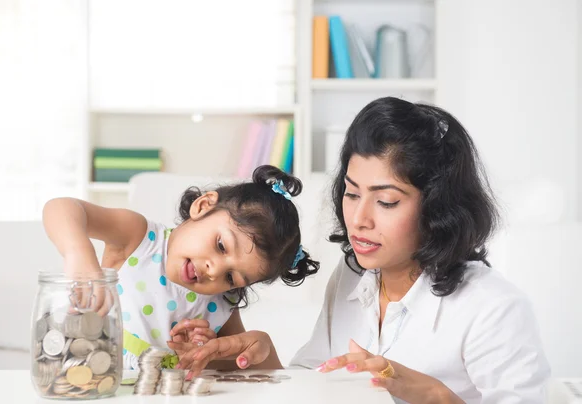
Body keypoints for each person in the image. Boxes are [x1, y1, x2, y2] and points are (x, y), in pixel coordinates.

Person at [182, 97, 550, 403]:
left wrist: (437, 396)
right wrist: (265, 357)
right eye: (352, 193)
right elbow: (316, 385)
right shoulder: (353, 276)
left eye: (386, 201)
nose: (358, 219)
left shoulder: (494, 308)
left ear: (438, 209)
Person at [43, 165, 319, 371]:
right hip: (93, 381)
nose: (213, 270)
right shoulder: (139, 239)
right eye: (221, 245)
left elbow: (248, 372)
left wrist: (203, 352)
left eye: (231, 277)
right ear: (202, 206)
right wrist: (79, 253)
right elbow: (61, 208)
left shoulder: (222, 301)